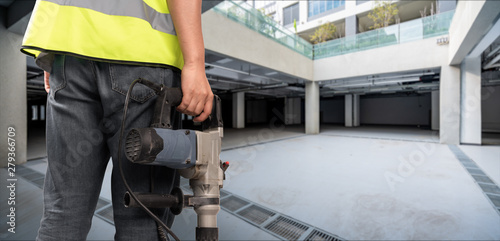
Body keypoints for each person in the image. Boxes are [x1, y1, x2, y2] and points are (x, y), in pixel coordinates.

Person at [20, 0, 213, 240]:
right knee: (142, 218)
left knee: (63, 212)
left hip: (67, 52)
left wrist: (50, 52)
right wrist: (194, 62)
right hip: (141, 52)